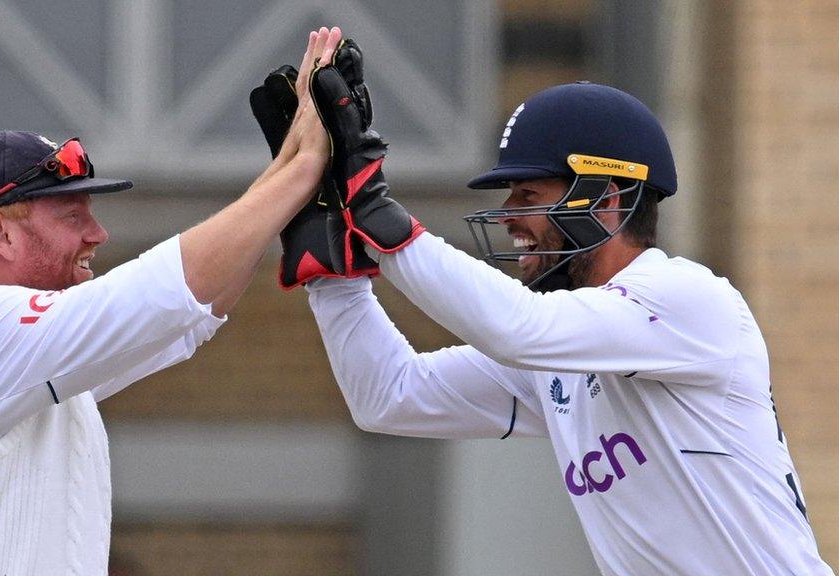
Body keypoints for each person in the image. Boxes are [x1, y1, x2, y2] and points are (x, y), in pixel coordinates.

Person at [292, 49, 835, 575]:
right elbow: (388, 397)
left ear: (606, 200)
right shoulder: (563, 351)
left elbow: (517, 329)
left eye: (528, 195)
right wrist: (332, 275)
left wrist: (370, 203)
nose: (508, 217)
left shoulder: (686, 298)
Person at [0, 27, 343, 575]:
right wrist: (303, 171)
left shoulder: (4, 349)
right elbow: (157, 294)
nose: (98, 234)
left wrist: (291, 166)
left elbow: (186, 315)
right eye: (73, 217)